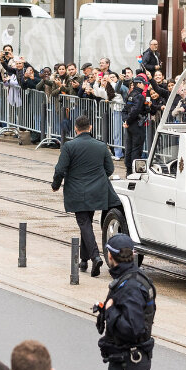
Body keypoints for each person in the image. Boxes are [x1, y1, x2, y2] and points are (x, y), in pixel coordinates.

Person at [95, 235, 154, 370]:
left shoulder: (131, 287)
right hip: (117, 363)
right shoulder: (126, 280)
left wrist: (110, 312)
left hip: (129, 364)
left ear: (110, 256)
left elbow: (133, 329)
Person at [52, 116, 120, 276]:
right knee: (87, 222)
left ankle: (95, 257)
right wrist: (96, 177)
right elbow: (109, 169)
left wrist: (55, 185)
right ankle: (83, 260)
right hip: (96, 191)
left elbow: (60, 169)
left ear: (76, 129)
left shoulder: (69, 146)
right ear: (90, 128)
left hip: (77, 191)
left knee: (84, 223)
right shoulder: (101, 146)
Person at [121, 79, 151, 175]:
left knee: (129, 148)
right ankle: (135, 172)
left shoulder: (131, 94)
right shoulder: (139, 96)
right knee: (136, 149)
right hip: (136, 125)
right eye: (143, 84)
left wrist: (126, 121)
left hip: (130, 125)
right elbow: (135, 111)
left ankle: (129, 171)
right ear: (138, 84)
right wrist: (128, 121)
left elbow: (125, 110)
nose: (145, 86)